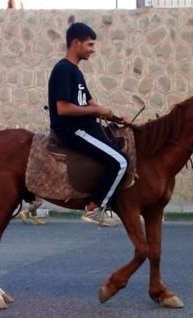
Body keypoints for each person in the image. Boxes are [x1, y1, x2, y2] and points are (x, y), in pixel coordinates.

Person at [48, 22, 126, 227]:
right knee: (120, 162)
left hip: (86, 127)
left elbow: (89, 102)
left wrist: (113, 117)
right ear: (76, 43)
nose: (93, 50)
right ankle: (96, 208)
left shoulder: (75, 71)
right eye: (90, 45)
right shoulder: (63, 69)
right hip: (73, 131)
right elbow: (63, 109)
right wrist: (97, 111)